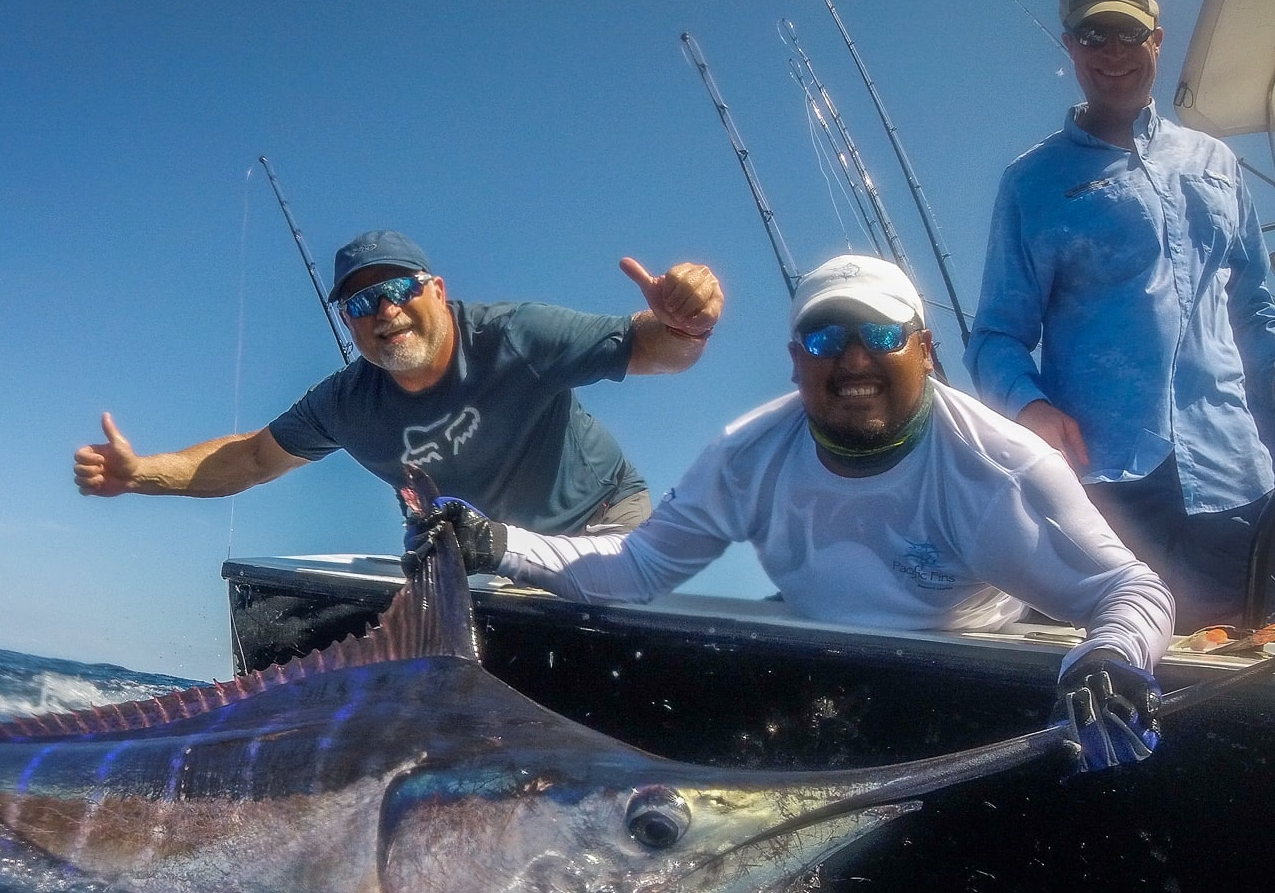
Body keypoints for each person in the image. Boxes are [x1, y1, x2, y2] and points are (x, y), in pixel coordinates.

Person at [405, 254, 1175, 772]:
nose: (853, 359)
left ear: (925, 348)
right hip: (815, 662)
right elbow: (635, 568)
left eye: (879, 333)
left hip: (964, 664)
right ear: (794, 358)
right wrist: (496, 542)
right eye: (823, 336)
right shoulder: (747, 453)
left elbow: (1132, 592)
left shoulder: (1000, 469)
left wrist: (1110, 657)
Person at [967, 0, 1275, 632]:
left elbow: (1257, 311)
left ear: (1157, 40)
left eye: (1128, 34)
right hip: (1105, 490)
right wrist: (1032, 406)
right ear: (1069, 45)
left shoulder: (1217, 164)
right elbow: (995, 335)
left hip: (1239, 478)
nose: (1112, 52)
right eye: (1093, 34)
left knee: (1246, 680)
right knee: (1129, 668)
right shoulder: (1031, 182)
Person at [74, 230, 724, 533]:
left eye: (395, 290)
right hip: (477, 557)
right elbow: (250, 458)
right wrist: (140, 475)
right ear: (351, 328)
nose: (382, 311)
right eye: (359, 305)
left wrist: (686, 326)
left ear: (436, 292)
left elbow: (653, 350)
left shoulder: (517, 335)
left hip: (597, 519)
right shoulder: (348, 404)